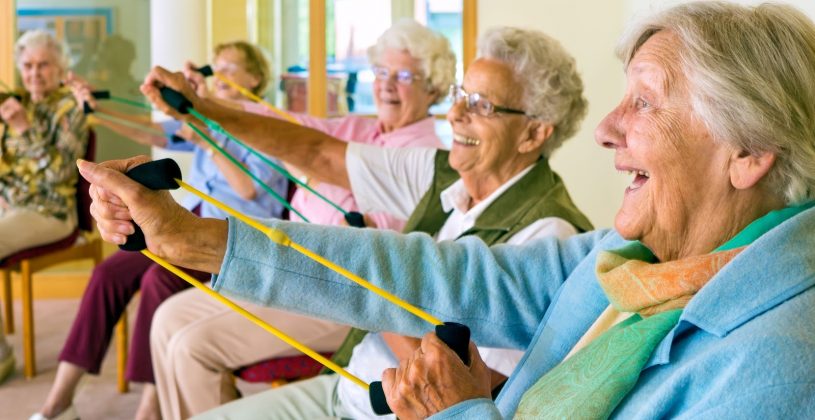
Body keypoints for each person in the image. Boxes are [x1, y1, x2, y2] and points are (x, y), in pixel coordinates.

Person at [85, 1, 815, 418]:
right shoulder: (636, 258)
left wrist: (454, 409)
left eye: (645, 102)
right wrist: (194, 239)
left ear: (746, 150)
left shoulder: (778, 367)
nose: (606, 130)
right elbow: (433, 272)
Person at [151, 25, 591, 419]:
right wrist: (200, 109)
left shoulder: (550, 234)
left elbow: (488, 388)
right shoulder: (442, 172)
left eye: (481, 105)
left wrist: (370, 285)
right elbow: (318, 152)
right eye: (461, 96)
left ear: (534, 133)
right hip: (345, 388)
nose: (456, 115)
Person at [149, 20, 455, 419]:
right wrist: (204, 104)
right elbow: (292, 130)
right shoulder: (358, 128)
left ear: (432, 87)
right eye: (381, 72)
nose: (386, 84)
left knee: (191, 347)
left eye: (403, 76)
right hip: (285, 268)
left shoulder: (426, 156)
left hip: (338, 293)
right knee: (167, 319)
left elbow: (377, 250)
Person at [32, 41, 288, 420]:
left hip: (236, 238)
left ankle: (150, 407)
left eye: (231, 68)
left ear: (257, 76)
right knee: (109, 273)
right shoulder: (208, 118)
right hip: (192, 223)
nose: (220, 75)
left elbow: (249, 190)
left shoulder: (265, 125)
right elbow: (148, 131)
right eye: (216, 67)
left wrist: (207, 139)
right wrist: (98, 111)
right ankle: (60, 401)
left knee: (157, 278)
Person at [0, 30, 88, 386]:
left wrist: (23, 127)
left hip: (52, 212)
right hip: (12, 207)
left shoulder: (70, 108)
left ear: (60, 67)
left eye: (44, 65)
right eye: (28, 65)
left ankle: (1, 357)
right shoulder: (18, 101)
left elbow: (59, 174)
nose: (35, 73)